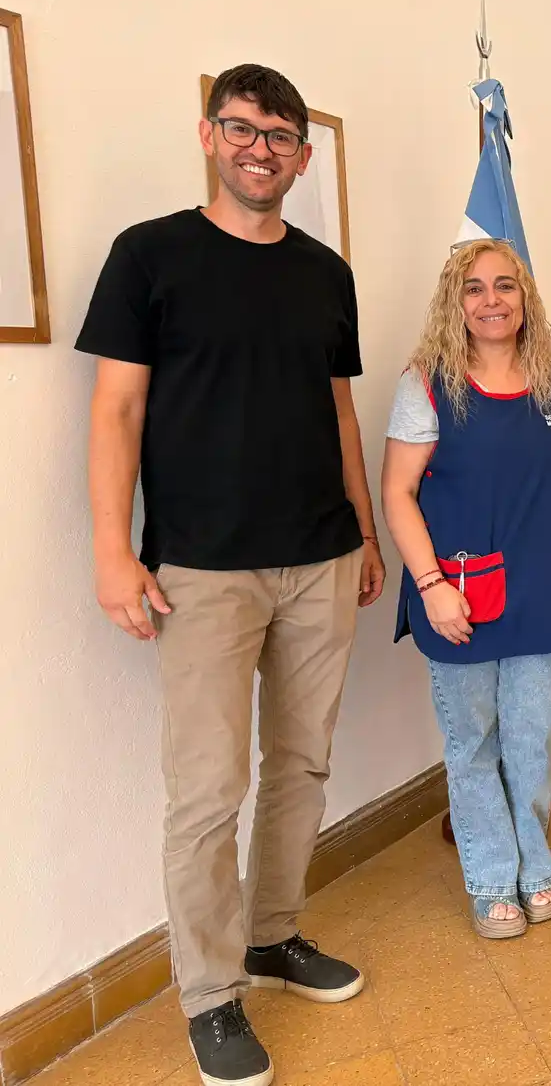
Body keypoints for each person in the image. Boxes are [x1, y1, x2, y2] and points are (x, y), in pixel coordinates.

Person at [77, 64, 383, 1086]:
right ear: (209, 135)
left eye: (282, 135)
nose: (263, 148)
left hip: (322, 558)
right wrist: (114, 549)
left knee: (301, 767)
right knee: (208, 793)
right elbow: (116, 411)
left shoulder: (324, 271)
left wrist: (368, 534)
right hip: (203, 570)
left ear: (302, 153)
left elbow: (340, 413)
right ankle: (210, 995)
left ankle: (273, 936)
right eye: (244, 129)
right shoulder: (148, 257)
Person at [382, 239, 551, 935]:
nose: (491, 300)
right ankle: (494, 877)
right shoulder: (427, 384)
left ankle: (535, 863)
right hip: (456, 593)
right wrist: (431, 585)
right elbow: (397, 492)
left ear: (526, 297)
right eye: (474, 287)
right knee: (473, 743)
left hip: (540, 592)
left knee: (535, 737)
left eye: (505, 286)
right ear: (453, 301)